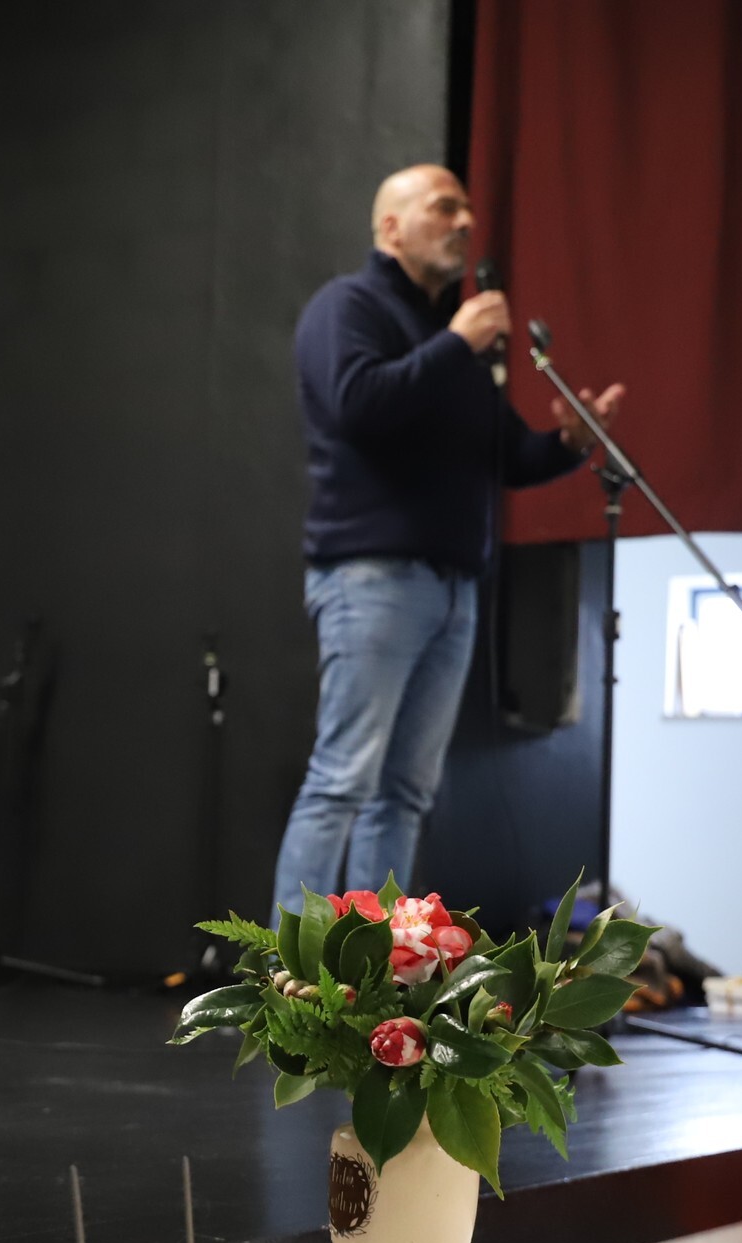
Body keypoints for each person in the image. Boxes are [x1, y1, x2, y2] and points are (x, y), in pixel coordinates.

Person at [270, 164, 624, 914]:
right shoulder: (348, 307)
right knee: (342, 781)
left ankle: (370, 965)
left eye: (466, 209)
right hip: (372, 578)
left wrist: (567, 441)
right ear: (390, 227)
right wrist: (457, 345)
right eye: (443, 208)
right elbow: (357, 405)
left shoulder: (452, 341)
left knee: (404, 793)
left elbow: (504, 455)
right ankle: (286, 967)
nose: (465, 222)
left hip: (453, 589)